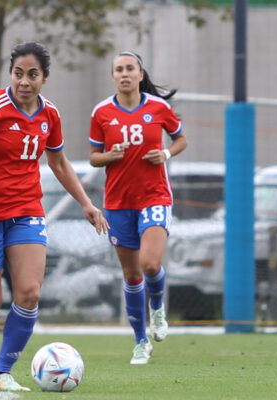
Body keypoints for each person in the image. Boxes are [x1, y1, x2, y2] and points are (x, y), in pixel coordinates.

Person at [0, 41, 109, 391]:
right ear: (10, 74)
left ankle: (1, 374)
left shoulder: (50, 115)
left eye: (32, 75)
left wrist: (87, 203)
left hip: (27, 211)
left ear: (45, 78)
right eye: (18, 74)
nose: (24, 81)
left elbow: (58, 162)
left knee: (28, 293)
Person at [88, 51, 187, 365]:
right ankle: (140, 342)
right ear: (113, 76)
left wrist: (167, 155)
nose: (125, 74)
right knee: (131, 275)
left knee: (150, 264)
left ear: (141, 74)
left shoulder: (158, 108)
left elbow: (180, 139)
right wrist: (110, 155)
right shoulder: (102, 112)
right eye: (119, 70)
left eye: (130, 68)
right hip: (118, 202)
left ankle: (157, 309)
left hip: (154, 196)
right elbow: (93, 156)